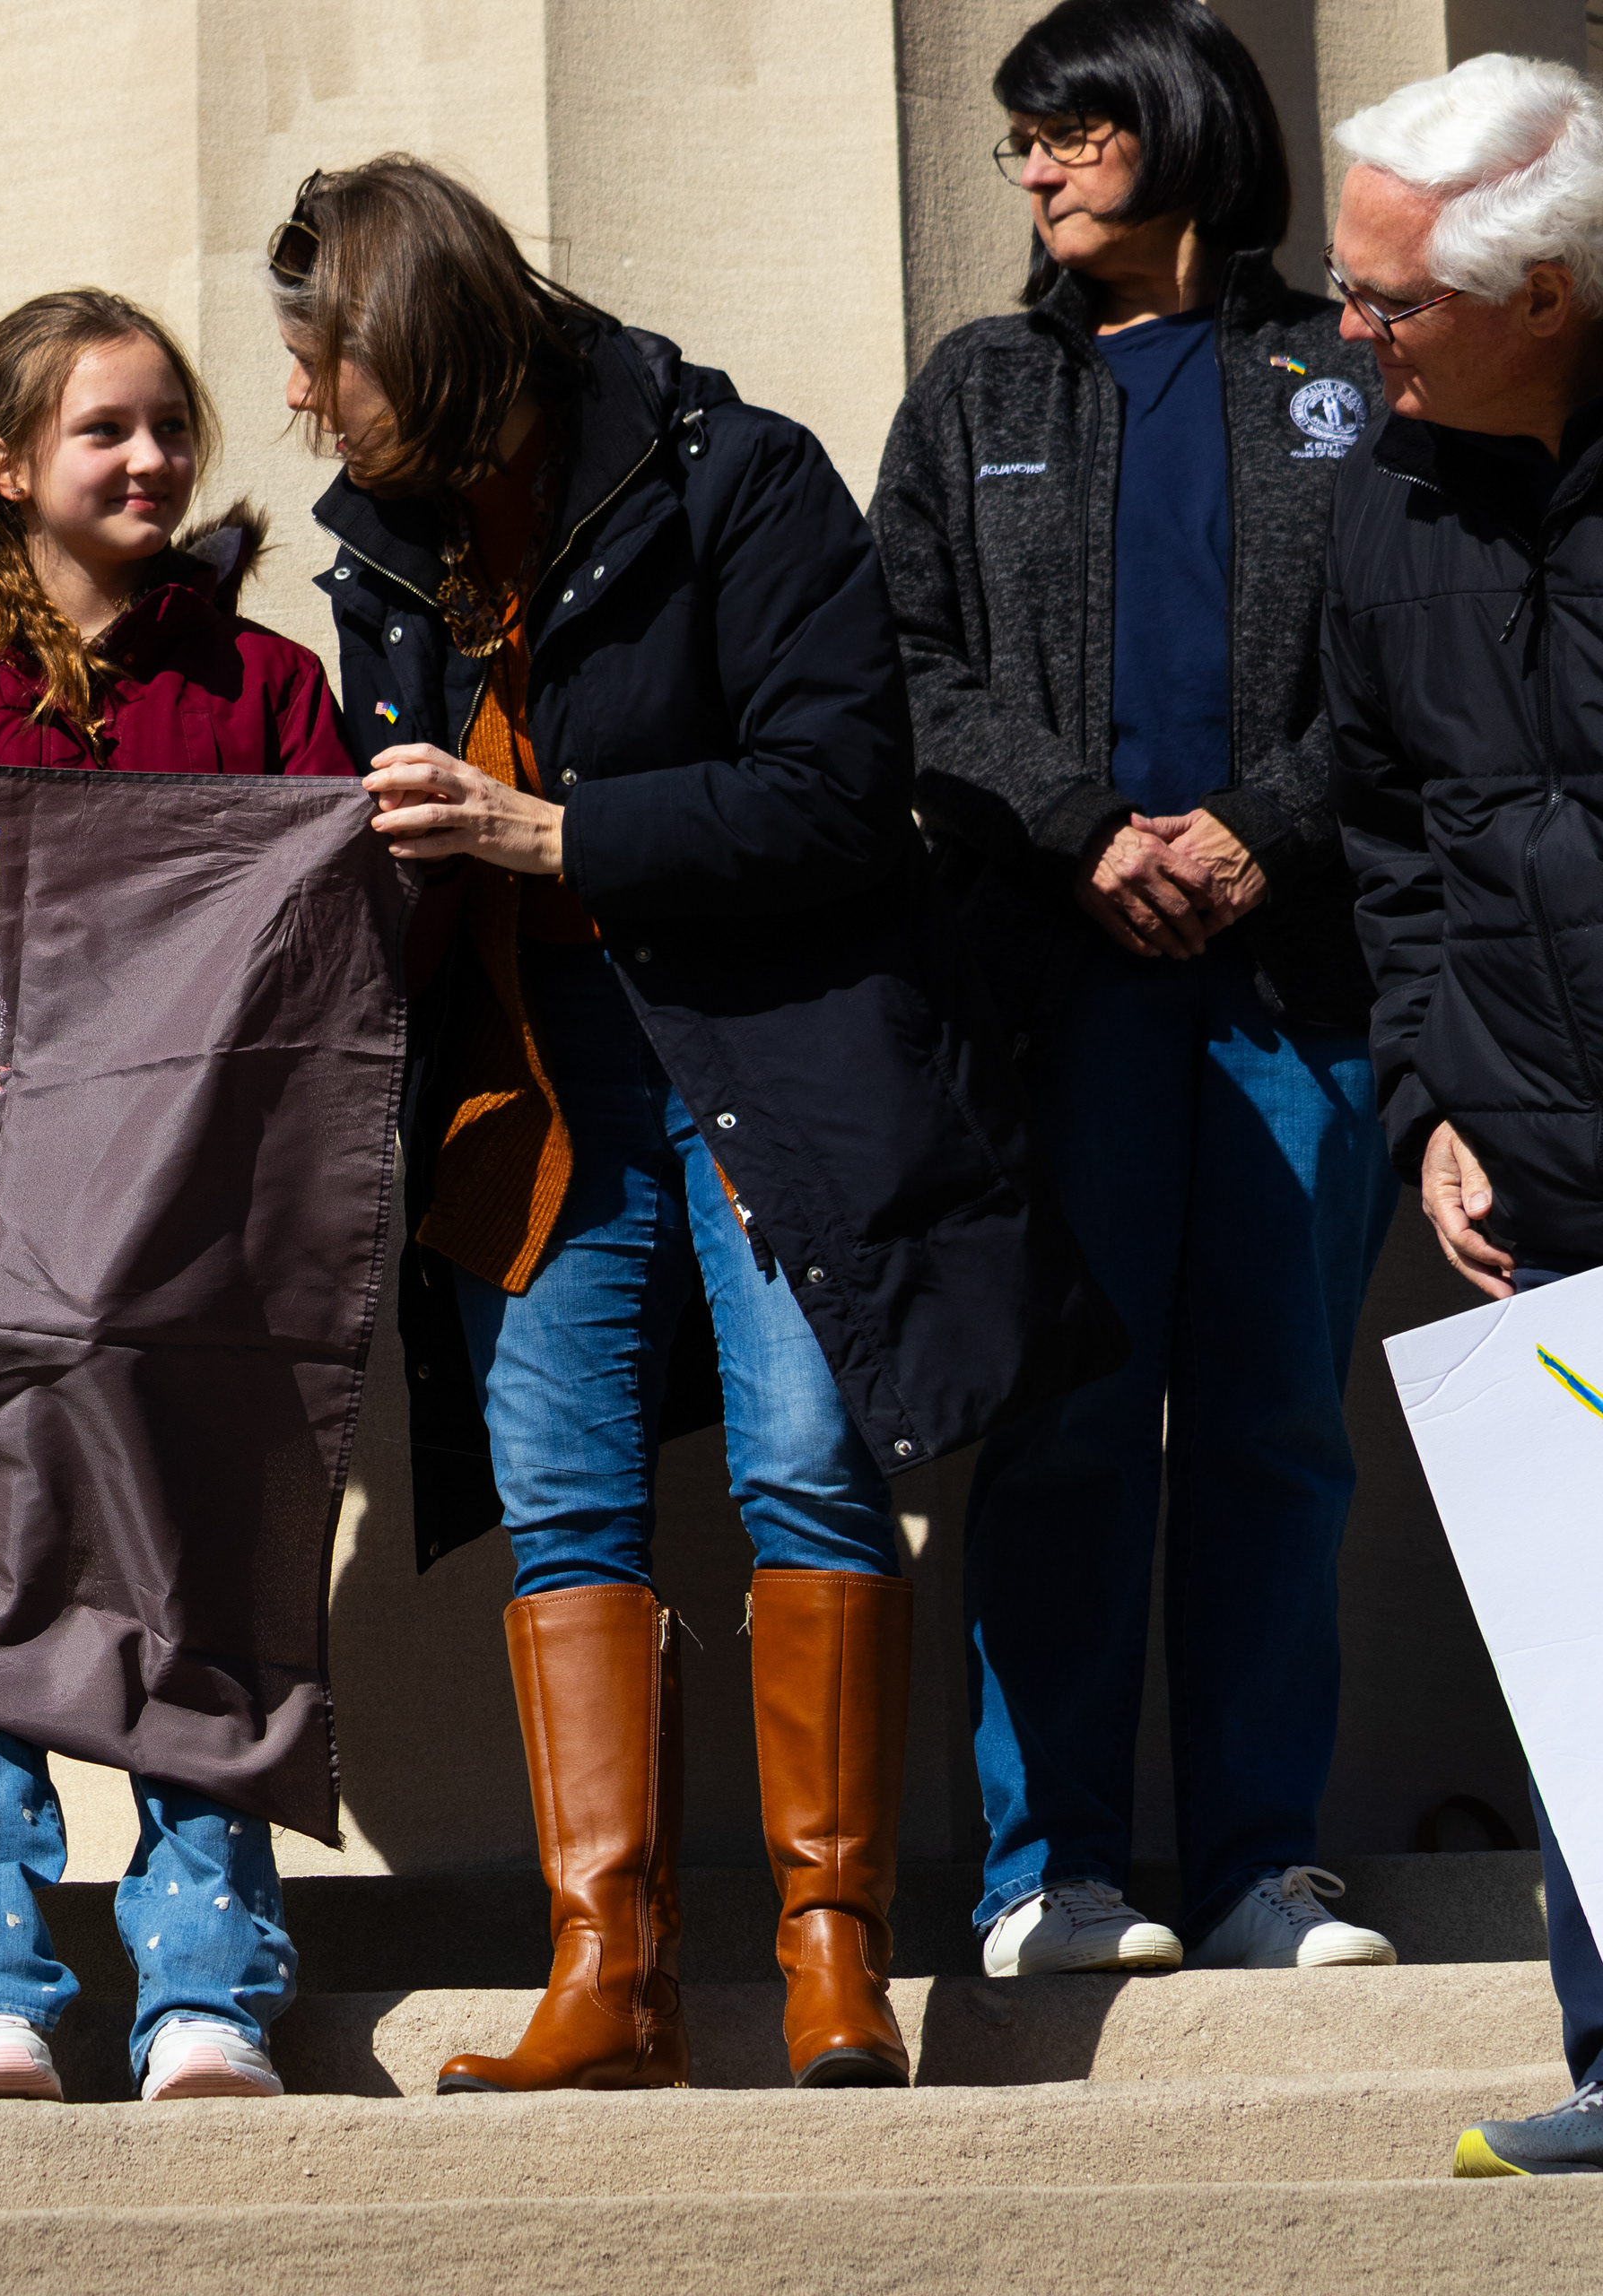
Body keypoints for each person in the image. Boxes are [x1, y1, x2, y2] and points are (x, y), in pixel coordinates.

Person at [273, 154, 1113, 2092]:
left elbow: (841, 790)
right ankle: (608, 1970)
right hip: (526, 1076)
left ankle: (835, 1953)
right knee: (562, 1492)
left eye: (332, 364)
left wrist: (554, 833)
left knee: (811, 1463)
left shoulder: (738, 470)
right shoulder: (377, 545)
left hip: (767, 1051)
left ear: (424, 336)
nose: (309, 403)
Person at [0, 287, 352, 2104]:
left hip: (195, 1236)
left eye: (172, 424)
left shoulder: (267, 689)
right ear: (6, 465)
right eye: (107, 428)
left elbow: (329, 961)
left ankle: (205, 1983)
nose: (154, 457)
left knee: (195, 1586)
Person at [871, 0, 1400, 1983]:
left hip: (1295, 986)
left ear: (1174, 128)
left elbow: (1411, 654)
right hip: (1060, 982)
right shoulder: (978, 382)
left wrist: (1268, 825)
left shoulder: (1333, 372)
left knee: (1274, 1418)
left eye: (1070, 128)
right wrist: (1083, 825)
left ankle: (1268, 1861)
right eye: (1019, 138)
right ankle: (1054, 1873)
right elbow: (910, 662)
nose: (1034, 165)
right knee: (1072, 1419)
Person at [1320, 51, 1603, 2179]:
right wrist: (1432, 1094)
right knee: (1579, 1625)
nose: (1352, 340)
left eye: (1389, 304)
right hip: (1531, 1141)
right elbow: (1393, 830)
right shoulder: (1387, 497)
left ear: (1550, 292)